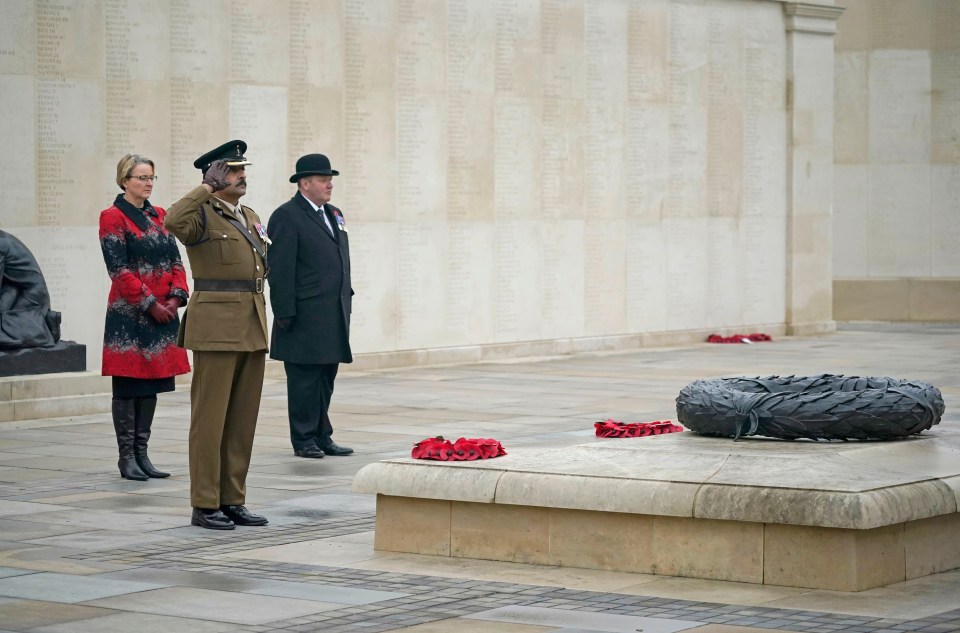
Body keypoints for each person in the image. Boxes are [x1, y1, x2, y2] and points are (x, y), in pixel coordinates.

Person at [164, 140, 270, 530]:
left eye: (243, 169)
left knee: (242, 420)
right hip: (215, 328)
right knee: (209, 420)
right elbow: (171, 221)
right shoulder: (201, 214)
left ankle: (232, 498)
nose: (243, 176)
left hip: (252, 325)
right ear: (214, 175)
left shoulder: (250, 214)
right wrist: (204, 189)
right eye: (234, 170)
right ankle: (204, 502)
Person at [99, 154, 190, 481]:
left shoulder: (160, 215)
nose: (148, 183)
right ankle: (127, 458)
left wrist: (176, 296)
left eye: (151, 177)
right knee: (127, 386)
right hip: (130, 317)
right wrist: (151, 304)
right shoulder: (112, 217)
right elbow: (118, 270)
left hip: (163, 314)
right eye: (141, 177)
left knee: (151, 383)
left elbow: (176, 261)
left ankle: (143, 453)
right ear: (125, 181)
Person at [267, 154, 354, 459]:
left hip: (333, 313)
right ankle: (303, 438)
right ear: (304, 184)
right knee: (304, 379)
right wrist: (285, 313)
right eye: (322, 179)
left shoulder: (334, 213)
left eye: (330, 179)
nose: (329, 184)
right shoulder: (287, 216)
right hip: (303, 315)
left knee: (325, 378)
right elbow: (279, 270)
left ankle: (322, 434)